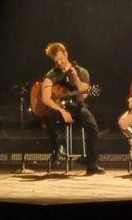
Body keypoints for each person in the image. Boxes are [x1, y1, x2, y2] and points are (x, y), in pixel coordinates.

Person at [41, 42, 105, 175]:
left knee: (92, 126)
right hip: (59, 109)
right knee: (48, 115)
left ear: (66, 54)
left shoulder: (81, 72)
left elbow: (85, 92)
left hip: (77, 107)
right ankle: (58, 148)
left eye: (60, 58)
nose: (59, 62)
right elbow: (45, 98)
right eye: (56, 60)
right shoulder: (51, 75)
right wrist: (62, 111)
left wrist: (75, 77)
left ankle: (91, 163)